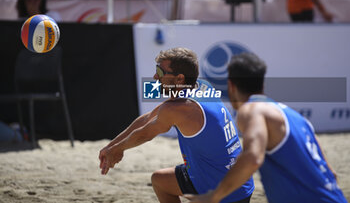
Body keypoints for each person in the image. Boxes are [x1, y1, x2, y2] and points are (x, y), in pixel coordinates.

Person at [185, 52, 347, 203]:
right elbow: (331, 173)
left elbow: (253, 158)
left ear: (231, 86)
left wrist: (214, 196)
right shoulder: (296, 117)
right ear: (262, 83)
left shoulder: (251, 109)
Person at [99, 47, 255, 203]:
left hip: (223, 191)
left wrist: (117, 149)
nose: (155, 77)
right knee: (160, 181)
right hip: (238, 181)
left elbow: (145, 133)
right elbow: (147, 119)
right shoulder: (201, 86)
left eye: (160, 72)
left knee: (161, 181)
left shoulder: (180, 108)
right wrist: (111, 147)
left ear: (180, 79)